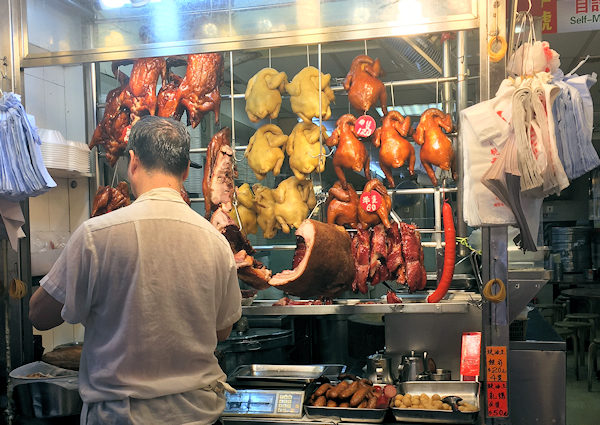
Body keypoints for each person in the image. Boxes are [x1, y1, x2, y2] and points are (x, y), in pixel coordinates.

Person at [29, 116, 242, 425]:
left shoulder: (95, 236)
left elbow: (39, 315)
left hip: (119, 416)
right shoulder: (216, 242)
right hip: (198, 415)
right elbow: (222, 330)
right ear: (185, 171)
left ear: (132, 162)